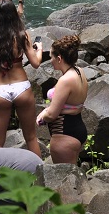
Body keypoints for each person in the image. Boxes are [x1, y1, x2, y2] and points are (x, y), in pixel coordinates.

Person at [0, 0, 43, 155]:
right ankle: (39, 176)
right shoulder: (22, 35)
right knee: (31, 138)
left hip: (0, 91)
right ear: (14, 16)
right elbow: (35, 63)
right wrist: (39, 50)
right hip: (21, 87)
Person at [35, 35, 88, 164]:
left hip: (63, 134)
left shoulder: (65, 81)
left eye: (52, 56)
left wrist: (42, 117)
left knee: (65, 180)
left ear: (59, 58)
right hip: (78, 128)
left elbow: (52, 114)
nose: (51, 60)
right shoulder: (79, 71)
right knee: (73, 175)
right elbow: (71, 104)